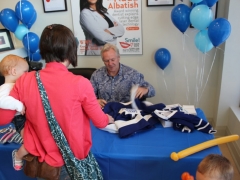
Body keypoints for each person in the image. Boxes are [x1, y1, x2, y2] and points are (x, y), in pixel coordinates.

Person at [6, 24, 114, 179]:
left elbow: (8, 114)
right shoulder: (80, 83)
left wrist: (26, 133)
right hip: (69, 163)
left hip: (41, 164)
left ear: (43, 48)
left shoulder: (25, 80)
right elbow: (100, 122)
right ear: (70, 50)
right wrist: (106, 119)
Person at [90, 43, 155, 108]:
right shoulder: (96, 75)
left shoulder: (132, 74)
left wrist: (146, 89)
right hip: (104, 113)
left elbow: (153, 91)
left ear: (118, 58)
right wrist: (95, 101)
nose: (110, 63)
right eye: (107, 61)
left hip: (126, 113)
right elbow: (88, 96)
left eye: (113, 60)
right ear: (103, 61)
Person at [0, 55, 29, 170]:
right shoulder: (6, 87)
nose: (27, 74)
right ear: (14, 71)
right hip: (17, 119)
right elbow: (1, 100)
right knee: (29, 142)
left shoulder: (16, 85)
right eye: (25, 71)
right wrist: (19, 105)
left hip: (21, 117)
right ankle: (18, 156)